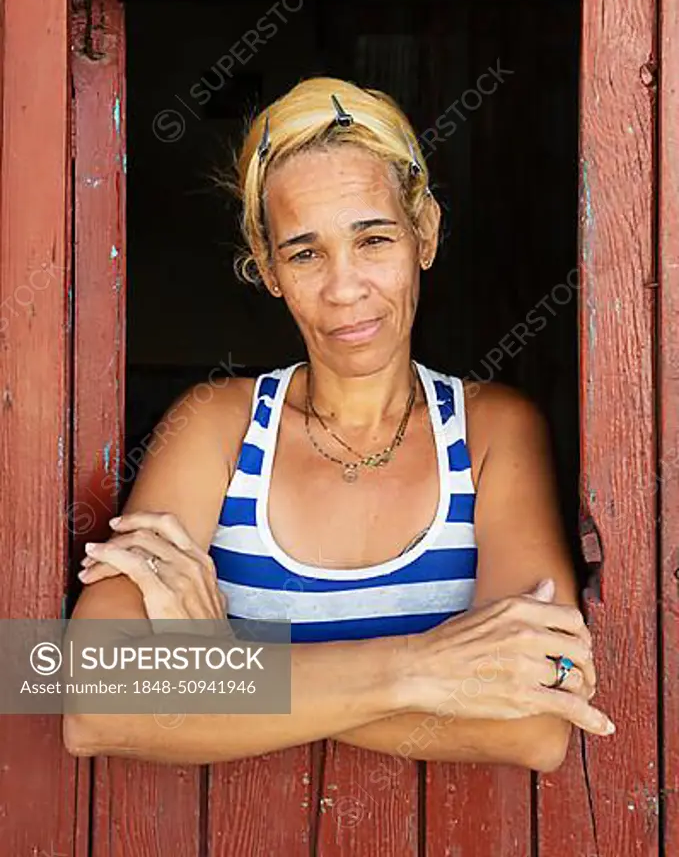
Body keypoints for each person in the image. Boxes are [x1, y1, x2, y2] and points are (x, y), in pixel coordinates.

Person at [63, 76, 614, 769]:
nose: (344, 287)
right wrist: (423, 668)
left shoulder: (493, 431)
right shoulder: (216, 428)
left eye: (373, 240)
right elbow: (92, 702)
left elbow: (534, 725)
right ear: (266, 267)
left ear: (425, 234)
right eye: (304, 253)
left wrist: (226, 665)